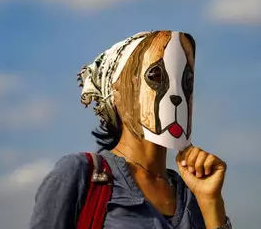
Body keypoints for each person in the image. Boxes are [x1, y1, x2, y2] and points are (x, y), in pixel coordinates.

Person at [28, 31, 232, 229]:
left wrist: (211, 201)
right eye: (155, 76)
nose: (176, 94)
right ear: (117, 92)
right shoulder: (80, 173)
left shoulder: (193, 193)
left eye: (186, 82)